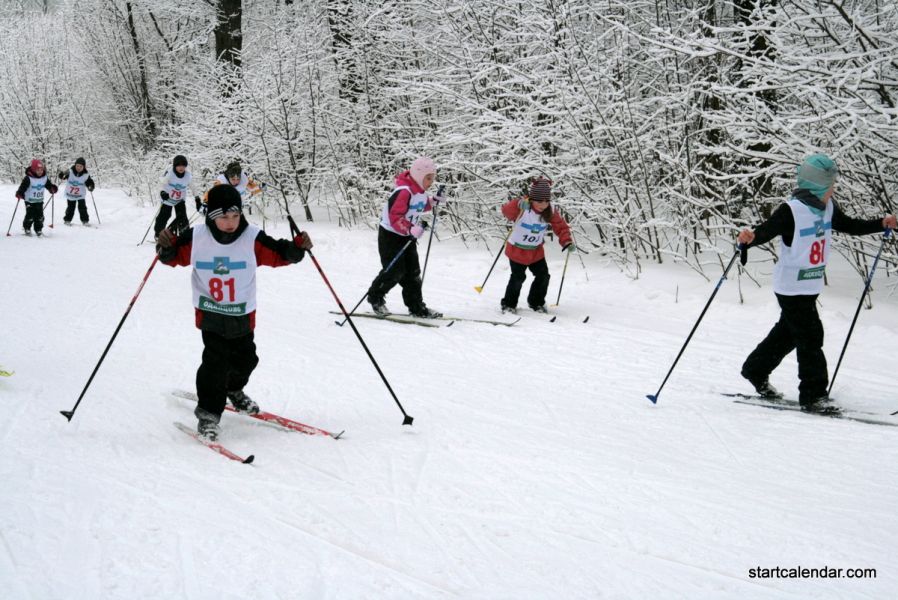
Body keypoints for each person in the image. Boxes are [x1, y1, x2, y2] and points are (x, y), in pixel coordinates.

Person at [737, 154, 897, 412]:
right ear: (817, 186)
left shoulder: (827, 207)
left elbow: (850, 226)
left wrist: (880, 224)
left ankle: (755, 369)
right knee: (811, 336)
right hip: (791, 287)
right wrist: (749, 237)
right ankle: (813, 396)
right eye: (831, 185)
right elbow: (766, 230)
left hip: (809, 286)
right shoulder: (792, 210)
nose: (833, 189)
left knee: (788, 333)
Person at [156, 185, 314, 440]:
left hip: (241, 314)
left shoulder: (251, 237)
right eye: (223, 217)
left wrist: (296, 250)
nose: (230, 222)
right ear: (210, 216)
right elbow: (173, 256)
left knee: (247, 360)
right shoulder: (197, 237)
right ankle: (208, 414)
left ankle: (234, 389)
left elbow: (277, 253)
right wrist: (166, 248)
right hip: (211, 313)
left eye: (235, 216)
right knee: (215, 364)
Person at [365, 156, 446, 318]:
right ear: (418, 176)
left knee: (413, 272)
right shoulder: (404, 191)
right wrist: (410, 229)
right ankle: (375, 298)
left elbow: (418, 206)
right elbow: (395, 217)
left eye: (433, 178)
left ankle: (416, 307)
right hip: (390, 236)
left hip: (407, 236)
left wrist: (432, 201)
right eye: (428, 178)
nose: (431, 182)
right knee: (395, 271)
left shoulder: (420, 192)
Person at [499, 177, 573, 314]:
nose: (543, 204)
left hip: (536, 252)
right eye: (539, 201)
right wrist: (517, 204)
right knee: (518, 277)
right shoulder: (523, 207)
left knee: (543, 276)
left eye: (546, 201)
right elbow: (506, 212)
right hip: (517, 250)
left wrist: (566, 240)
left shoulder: (549, 210)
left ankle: (536, 302)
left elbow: (560, 226)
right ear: (532, 199)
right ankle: (508, 304)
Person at [198, 161, 264, 215]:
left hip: (237, 209)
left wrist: (260, 187)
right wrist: (206, 203)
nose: (236, 181)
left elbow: (253, 188)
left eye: (238, 179)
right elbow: (212, 193)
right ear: (228, 177)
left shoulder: (244, 179)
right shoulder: (221, 182)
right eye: (233, 179)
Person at [154, 155, 195, 240]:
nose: (181, 167)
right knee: (164, 216)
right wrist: (162, 192)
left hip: (180, 199)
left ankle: (184, 236)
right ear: (175, 166)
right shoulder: (169, 173)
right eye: (178, 165)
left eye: (183, 165)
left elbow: (194, 187)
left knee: (182, 217)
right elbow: (161, 184)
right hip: (168, 198)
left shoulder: (188, 176)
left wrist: (197, 198)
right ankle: (158, 235)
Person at [15, 159, 58, 237]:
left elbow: (48, 185)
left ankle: (38, 229)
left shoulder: (44, 178)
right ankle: (27, 228)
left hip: (39, 200)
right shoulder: (28, 178)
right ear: (33, 169)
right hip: (29, 200)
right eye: (38, 170)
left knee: (40, 216)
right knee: (30, 215)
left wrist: (52, 188)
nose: (40, 172)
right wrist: (19, 193)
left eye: (41, 170)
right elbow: (23, 187)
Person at [58, 157, 95, 226]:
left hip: (80, 195)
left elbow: (89, 182)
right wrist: (62, 174)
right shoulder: (70, 171)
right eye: (77, 166)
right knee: (70, 208)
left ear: (84, 167)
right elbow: (62, 176)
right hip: (70, 194)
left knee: (82, 208)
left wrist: (91, 186)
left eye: (81, 166)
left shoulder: (86, 174)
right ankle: (67, 220)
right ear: (75, 165)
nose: (79, 168)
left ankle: (85, 221)